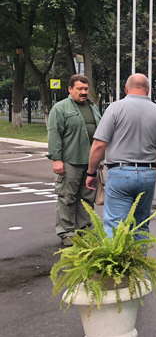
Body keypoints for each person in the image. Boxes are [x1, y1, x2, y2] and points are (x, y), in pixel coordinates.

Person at [86, 74, 156, 237]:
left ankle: (115, 254)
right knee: (141, 225)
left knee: (115, 226)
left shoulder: (115, 108)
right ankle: (140, 254)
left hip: (119, 173)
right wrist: (154, 170)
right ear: (148, 90)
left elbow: (99, 145)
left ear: (126, 88)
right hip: (147, 174)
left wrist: (91, 173)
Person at [47, 74, 101, 246]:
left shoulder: (92, 107)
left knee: (87, 198)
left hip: (90, 162)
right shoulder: (60, 108)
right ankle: (66, 232)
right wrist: (56, 159)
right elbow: (54, 134)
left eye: (86, 89)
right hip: (70, 160)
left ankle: (84, 230)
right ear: (70, 89)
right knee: (67, 197)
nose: (83, 92)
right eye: (79, 89)